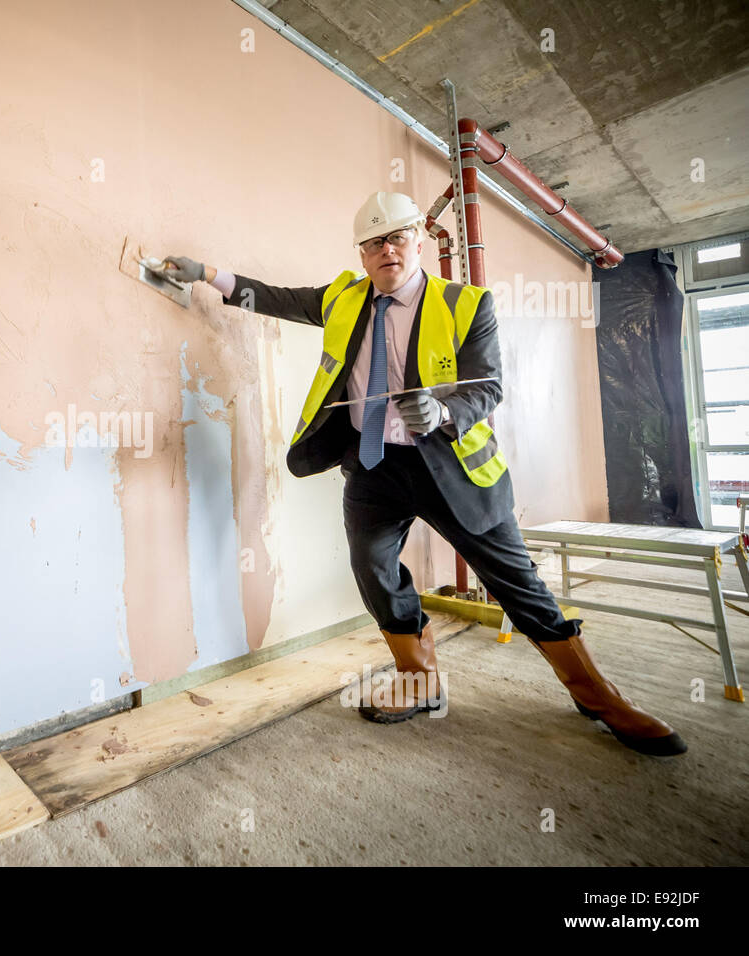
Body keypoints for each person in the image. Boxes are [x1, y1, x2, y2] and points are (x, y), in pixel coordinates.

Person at [162, 190, 686, 756]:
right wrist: (205, 274)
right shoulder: (343, 299)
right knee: (373, 570)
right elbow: (273, 297)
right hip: (373, 466)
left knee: (518, 586)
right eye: (372, 243)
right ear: (361, 255)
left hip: (452, 466)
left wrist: (442, 410)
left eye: (396, 238)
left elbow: (488, 387)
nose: (385, 250)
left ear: (418, 241)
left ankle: (599, 696)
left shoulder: (466, 304)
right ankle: (420, 680)